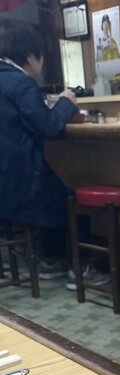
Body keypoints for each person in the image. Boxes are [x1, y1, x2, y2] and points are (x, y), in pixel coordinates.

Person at [0, 18, 77, 280]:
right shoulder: (20, 83)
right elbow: (47, 126)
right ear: (30, 56)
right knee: (70, 191)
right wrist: (66, 102)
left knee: (55, 182)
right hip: (20, 178)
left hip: (6, 177)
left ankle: (49, 258)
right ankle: (74, 264)